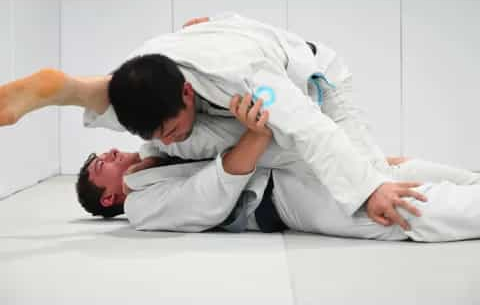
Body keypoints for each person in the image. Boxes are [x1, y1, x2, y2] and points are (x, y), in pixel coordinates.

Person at [0, 13, 426, 230]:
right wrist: (156, 145)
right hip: (200, 66)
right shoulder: (150, 76)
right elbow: (163, 129)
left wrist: (369, 187)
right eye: (155, 135)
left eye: (167, 128)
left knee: (377, 176)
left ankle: (379, 172)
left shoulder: (252, 81)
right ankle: (76, 89)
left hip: (317, 77)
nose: (166, 140)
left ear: (188, 93)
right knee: (169, 124)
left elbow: (309, 126)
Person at [77, 94, 480, 242]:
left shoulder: (156, 143)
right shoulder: (142, 208)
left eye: (104, 152)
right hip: (279, 198)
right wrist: (258, 134)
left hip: (287, 157)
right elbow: (209, 199)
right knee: (388, 212)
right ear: (109, 197)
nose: (109, 153)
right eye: (99, 165)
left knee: (397, 170)